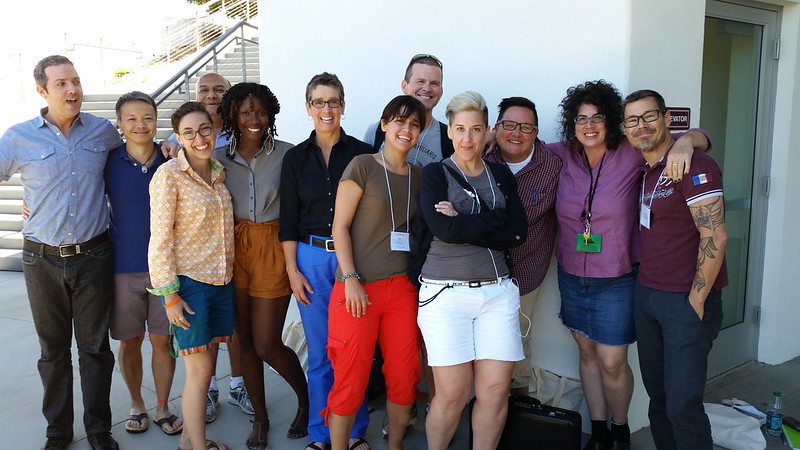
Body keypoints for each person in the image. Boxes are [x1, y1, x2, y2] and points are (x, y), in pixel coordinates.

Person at [548, 80, 709, 450]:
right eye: (580, 119)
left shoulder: (631, 152)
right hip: (572, 275)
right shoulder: (562, 154)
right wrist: (493, 138)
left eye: (597, 118)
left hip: (617, 277)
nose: (589, 126)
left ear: (610, 122)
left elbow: (689, 138)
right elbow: (522, 147)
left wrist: (687, 140)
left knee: (611, 361)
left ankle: (620, 430)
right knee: (586, 353)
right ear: (572, 125)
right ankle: (600, 431)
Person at [0, 55, 122, 450]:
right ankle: (58, 431)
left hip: (94, 256)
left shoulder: (103, 132)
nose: (72, 90)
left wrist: (172, 144)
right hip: (41, 259)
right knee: (52, 353)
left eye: (76, 81)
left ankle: (99, 429)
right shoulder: (19, 137)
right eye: (61, 84)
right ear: (42, 91)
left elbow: (136, 158)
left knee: (95, 350)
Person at [415, 91, 527, 450]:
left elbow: (518, 232)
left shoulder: (500, 174)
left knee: (495, 390)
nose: (467, 138)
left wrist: (464, 219)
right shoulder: (435, 174)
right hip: (445, 294)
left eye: (476, 129)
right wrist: (494, 224)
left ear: (487, 132)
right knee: (453, 392)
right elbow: (443, 230)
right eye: (460, 129)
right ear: (449, 130)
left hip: (496, 292)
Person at [623, 89, 727, 450]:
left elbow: (714, 234)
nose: (642, 126)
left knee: (683, 403)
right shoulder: (647, 169)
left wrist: (696, 300)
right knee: (660, 399)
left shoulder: (694, 164)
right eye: (633, 120)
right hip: (648, 294)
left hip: (685, 300)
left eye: (649, 116)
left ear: (667, 119)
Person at [324, 94, 425, 450]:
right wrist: (350, 278)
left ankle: (395, 444)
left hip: (402, 292)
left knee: (403, 377)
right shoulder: (363, 165)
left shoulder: (420, 176)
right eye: (399, 121)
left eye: (414, 124)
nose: (406, 129)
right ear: (383, 124)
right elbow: (339, 227)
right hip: (357, 288)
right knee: (350, 378)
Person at [279, 72, 373, 450]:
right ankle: (320, 435)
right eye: (318, 102)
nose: (326, 109)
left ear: (343, 106)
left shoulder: (362, 152)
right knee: (320, 353)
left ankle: (353, 431)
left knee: (354, 351)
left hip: (354, 260)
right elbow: (288, 219)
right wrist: (291, 270)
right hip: (311, 257)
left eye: (333, 101)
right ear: (308, 108)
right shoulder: (295, 158)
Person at [216, 82, 309, 450]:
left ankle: (306, 400)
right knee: (245, 340)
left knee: (269, 342)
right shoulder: (218, 156)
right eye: (245, 112)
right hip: (235, 246)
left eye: (260, 111)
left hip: (273, 243)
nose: (253, 119)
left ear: (270, 113)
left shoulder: (289, 154)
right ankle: (261, 416)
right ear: (233, 117)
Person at [148, 101, 235, 450]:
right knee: (199, 374)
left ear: (213, 130)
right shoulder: (168, 175)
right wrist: (169, 294)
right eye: (189, 133)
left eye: (204, 129)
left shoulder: (218, 173)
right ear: (178, 138)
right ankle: (199, 447)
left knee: (206, 368)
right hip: (189, 286)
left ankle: (189, 441)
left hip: (221, 282)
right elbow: (160, 238)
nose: (199, 138)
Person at [165, 71, 251, 421]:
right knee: (200, 364)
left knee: (229, 331)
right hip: (194, 270)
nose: (212, 95)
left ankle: (237, 385)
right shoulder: (176, 153)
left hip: (230, 258)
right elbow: (163, 231)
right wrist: (168, 292)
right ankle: (209, 394)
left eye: (220, 90)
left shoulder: (238, 136)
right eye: (205, 89)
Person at [105, 91, 182, 437]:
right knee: (131, 340)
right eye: (131, 118)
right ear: (120, 124)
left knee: (163, 340)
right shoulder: (107, 162)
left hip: (167, 269)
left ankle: (163, 406)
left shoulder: (172, 161)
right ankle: (137, 404)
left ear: (156, 120)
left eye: (147, 117)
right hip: (123, 267)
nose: (140, 124)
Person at [483, 96, 562, 396]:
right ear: (496, 127)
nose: (516, 134)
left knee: (515, 343)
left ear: (537, 132)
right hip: (480, 270)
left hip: (524, 273)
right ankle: (481, 407)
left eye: (525, 127)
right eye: (509, 125)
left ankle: (516, 410)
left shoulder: (552, 166)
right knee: (481, 344)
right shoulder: (481, 158)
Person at [363, 53, 454, 166]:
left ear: (441, 90)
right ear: (404, 86)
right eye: (420, 81)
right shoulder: (376, 131)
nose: (427, 89)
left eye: (434, 83)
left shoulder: (449, 138)